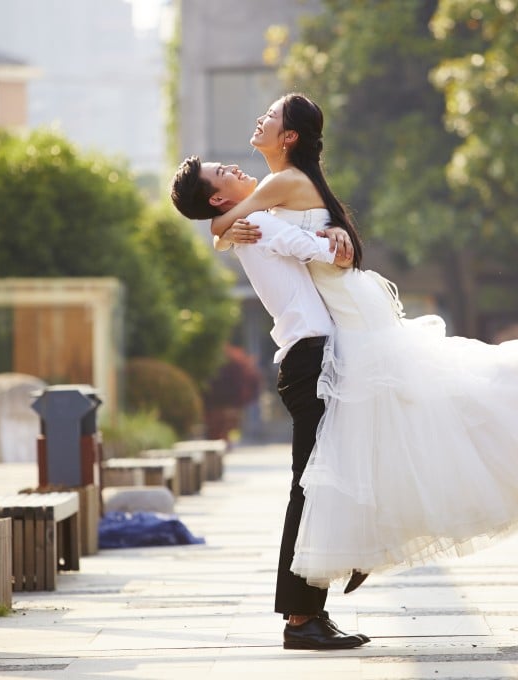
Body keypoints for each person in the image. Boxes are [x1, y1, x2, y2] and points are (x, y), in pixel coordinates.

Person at [204, 93, 518, 589]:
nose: (259, 118)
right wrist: (229, 234)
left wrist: (226, 233)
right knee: (387, 428)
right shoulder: (288, 183)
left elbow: (222, 220)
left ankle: (366, 546)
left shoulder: (281, 181)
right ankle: (368, 543)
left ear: (288, 137)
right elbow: (225, 223)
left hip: (350, 313)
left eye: (270, 115)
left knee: (391, 424)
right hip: (350, 306)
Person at [170, 157, 368, 651]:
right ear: (219, 197)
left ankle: (314, 606)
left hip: (311, 359)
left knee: (321, 481)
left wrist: (221, 230)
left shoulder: (248, 222)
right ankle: (301, 617)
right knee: (310, 488)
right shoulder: (257, 222)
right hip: (310, 361)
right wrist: (336, 238)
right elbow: (325, 255)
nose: (234, 167)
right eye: (223, 171)